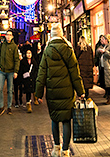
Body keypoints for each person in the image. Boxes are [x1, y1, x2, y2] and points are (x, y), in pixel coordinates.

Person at [35, 23, 85, 157]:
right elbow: (75, 72)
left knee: (55, 119)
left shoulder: (47, 50)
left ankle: (56, 148)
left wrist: (38, 94)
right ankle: (65, 150)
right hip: (67, 91)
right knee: (67, 120)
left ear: (51, 35)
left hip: (52, 92)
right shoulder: (68, 49)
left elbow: (41, 73)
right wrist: (80, 91)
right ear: (61, 34)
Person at [0, 29, 20, 115]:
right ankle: (1, 107)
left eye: (10, 35)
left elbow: (16, 59)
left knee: (10, 90)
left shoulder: (14, 47)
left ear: (12, 37)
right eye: (7, 35)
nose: (8, 36)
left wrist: (16, 71)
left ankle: (9, 107)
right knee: (0, 88)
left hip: (11, 71)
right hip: (2, 70)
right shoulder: (1, 45)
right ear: (5, 36)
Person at [96, 34, 110, 104]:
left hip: (109, 68)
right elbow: (97, 54)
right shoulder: (104, 46)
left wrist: (104, 52)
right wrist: (99, 51)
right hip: (103, 68)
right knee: (104, 83)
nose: (101, 41)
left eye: (103, 39)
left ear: (106, 40)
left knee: (109, 85)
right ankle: (109, 96)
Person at [19, 48, 38, 112]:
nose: (29, 55)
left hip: (32, 79)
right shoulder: (23, 62)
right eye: (27, 53)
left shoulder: (34, 62)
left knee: (33, 89)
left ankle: (34, 99)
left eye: (30, 53)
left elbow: (36, 70)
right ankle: (28, 104)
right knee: (28, 92)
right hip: (26, 79)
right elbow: (21, 71)